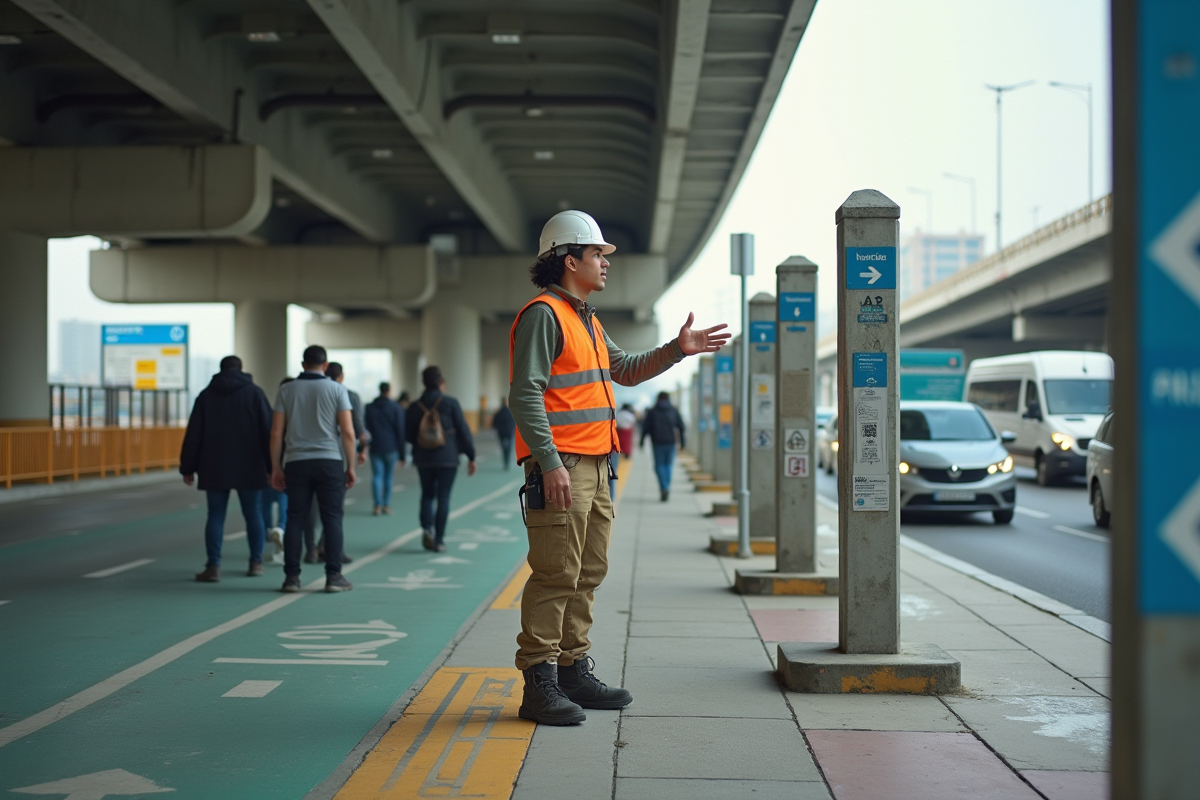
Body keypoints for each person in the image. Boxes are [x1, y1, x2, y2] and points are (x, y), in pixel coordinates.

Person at [509, 209, 729, 725]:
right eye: (597, 255)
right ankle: (538, 681)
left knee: (588, 570)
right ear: (569, 259)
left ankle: (570, 670)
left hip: (596, 465)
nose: (606, 263)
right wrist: (549, 463)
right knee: (555, 572)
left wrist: (678, 348)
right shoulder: (544, 314)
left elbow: (625, 370)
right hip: (561, 465)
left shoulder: (585, 317)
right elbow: (526, 393)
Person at [270, 345, 356, 593]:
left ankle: (292, 578)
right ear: (326, 365)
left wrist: (276, 466)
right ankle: (333, 576)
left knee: (296, 518)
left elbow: (276, 432)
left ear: (302, 364)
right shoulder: (337, 389)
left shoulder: (286, 390)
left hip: (296, 461)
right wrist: (351, 466)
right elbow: (348, 433)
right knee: (332, 517)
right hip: (329, 461)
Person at [180, 356, 273, 581]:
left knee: (215, 515)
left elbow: (194, 433)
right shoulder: (255, 394)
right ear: (241, 369)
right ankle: (256, 562)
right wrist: (273, 467)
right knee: (253, 514)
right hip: (250, 465)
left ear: (220, 370)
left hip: (214, 465)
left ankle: (213, 566)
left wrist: (188, 467)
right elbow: (268, 432)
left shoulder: (206, 395)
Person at [405, 366, 477, 552]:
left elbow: (408, 434)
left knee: (427, 494)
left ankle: (427, 529)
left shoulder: (414, 406)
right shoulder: (450, 403)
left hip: (423, 458)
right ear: (441, 383)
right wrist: (471, 456)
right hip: (448, 457)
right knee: (443, 496)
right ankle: (439, 540)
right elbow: (463, 430)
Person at [303, 362, 365, 564]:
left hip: (301, 455)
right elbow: (353, 430)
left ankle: (311, 550)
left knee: (308, 507)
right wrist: (353, 463)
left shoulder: (299, 389)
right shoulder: (346, 394)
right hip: (333, 456)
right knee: (334, 509)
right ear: (342, 376)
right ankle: (332, 554)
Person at [365, 381, 406, 514]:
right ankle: (386, 504)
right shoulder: (395, 407)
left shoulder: (370, 407)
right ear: (389, 391)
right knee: (388, 476)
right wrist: (403, 454)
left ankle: (377, 504)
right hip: (391, 446)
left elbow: (366, 427)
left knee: (377, 475)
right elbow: (400, 430)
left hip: (375, 446)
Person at [640, 391, 686, 501]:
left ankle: (664, 487)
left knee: (659, 466)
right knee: (668, 465)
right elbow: (681, 427)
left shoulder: (652, 411)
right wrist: (683, 442)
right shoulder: (673, 410)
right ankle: (666, 486)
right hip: (671, 442)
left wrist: (641, 441)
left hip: (657, 442)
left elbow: (646, 427)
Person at [611, 403, 638, 497]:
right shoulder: (631, 416)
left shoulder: (619, 414)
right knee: (627, 444)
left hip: (619, 432)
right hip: (628, 433)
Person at [492, 397, 517, 470]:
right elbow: (514, 422)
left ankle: (505, 461)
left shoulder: (498, 413)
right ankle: (507, 461)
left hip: (501, 432)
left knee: (503, 447)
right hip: (509, 432)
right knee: (509, 447)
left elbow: (494, 423)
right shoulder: (511, 412)